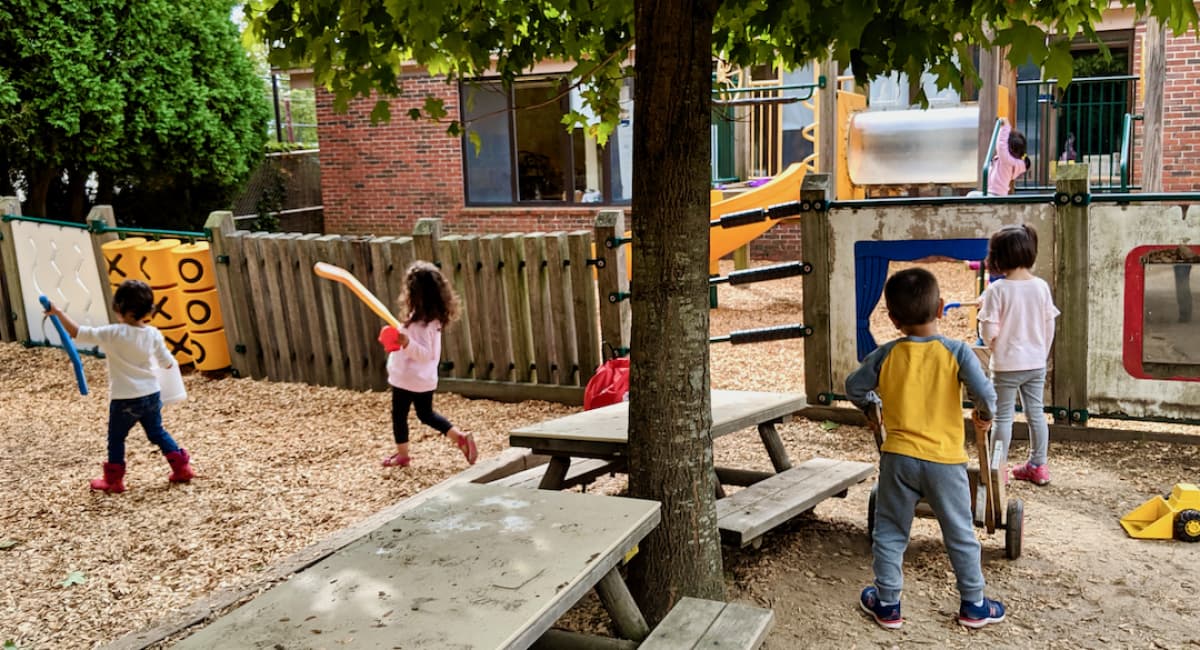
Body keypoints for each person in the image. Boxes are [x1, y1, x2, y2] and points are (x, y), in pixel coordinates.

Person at [846, 268, 1005, 630]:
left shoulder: (885, 354)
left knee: (889, 531)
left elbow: (853, 386)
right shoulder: (957, 352)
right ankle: (974, 605)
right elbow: (986, 394)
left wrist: (872, 406)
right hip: (945, 460)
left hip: (898, 456)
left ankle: (887, 604)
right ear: (941, 309)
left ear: (893, 319)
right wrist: (983, 415)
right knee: (960, 533)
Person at [44, 280, 195, 493]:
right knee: (157, 432)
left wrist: (57, 312)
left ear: (121, 308)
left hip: (124, 398)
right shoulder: (153, 334)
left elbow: (77, 332)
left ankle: (114, 481)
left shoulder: (112, 333)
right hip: (151, 395)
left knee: (116, 438)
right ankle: (181, 467)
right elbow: (167, 362)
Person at [978, 224, 1060, 486]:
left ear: (999, 257)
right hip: (1035, 363)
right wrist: (1041, 353)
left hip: (1005, 365)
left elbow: (989, 329)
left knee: (1003, 417)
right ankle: (1038, 465)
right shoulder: (1041, 287)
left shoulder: (997, 290)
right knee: (1036, 413)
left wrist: (991, 342)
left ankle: (998, 469)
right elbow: (1049, 325)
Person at [376, 261, 477, 468]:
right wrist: (398, 339)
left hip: (408, 378)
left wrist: (406, 342)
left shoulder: (425, 324)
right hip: (422, 379)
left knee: (399, 415)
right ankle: (459, 438)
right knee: (426, 414)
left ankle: (403, 455)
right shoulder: (429, 320)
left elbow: (425, 354)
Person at [986, 118, 1030, 196]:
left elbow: (1001, 146)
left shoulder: (1007, 161)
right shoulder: (1012, 162)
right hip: (995, 193)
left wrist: (1005, 126)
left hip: (995, 194)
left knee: (971, 196)